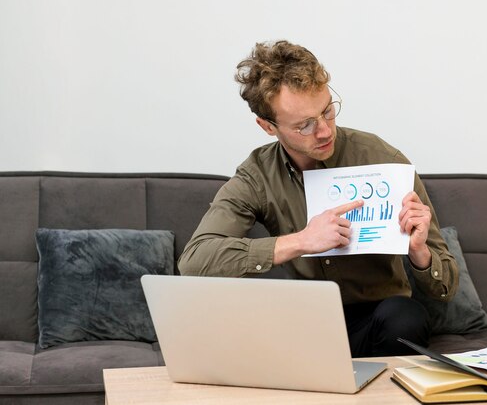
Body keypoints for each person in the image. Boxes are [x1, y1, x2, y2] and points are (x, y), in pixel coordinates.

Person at [178, 40, 459, 357]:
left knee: (406, 319)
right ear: (268, 126)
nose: (325, 131)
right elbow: (195, 261)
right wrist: (300, 241)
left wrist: (419, 251)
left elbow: (445, 286)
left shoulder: (384, 159)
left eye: (327, 110)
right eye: (305, 125)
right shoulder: (257, 175)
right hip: (304, 322)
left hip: (379, 319)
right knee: (238, 330)